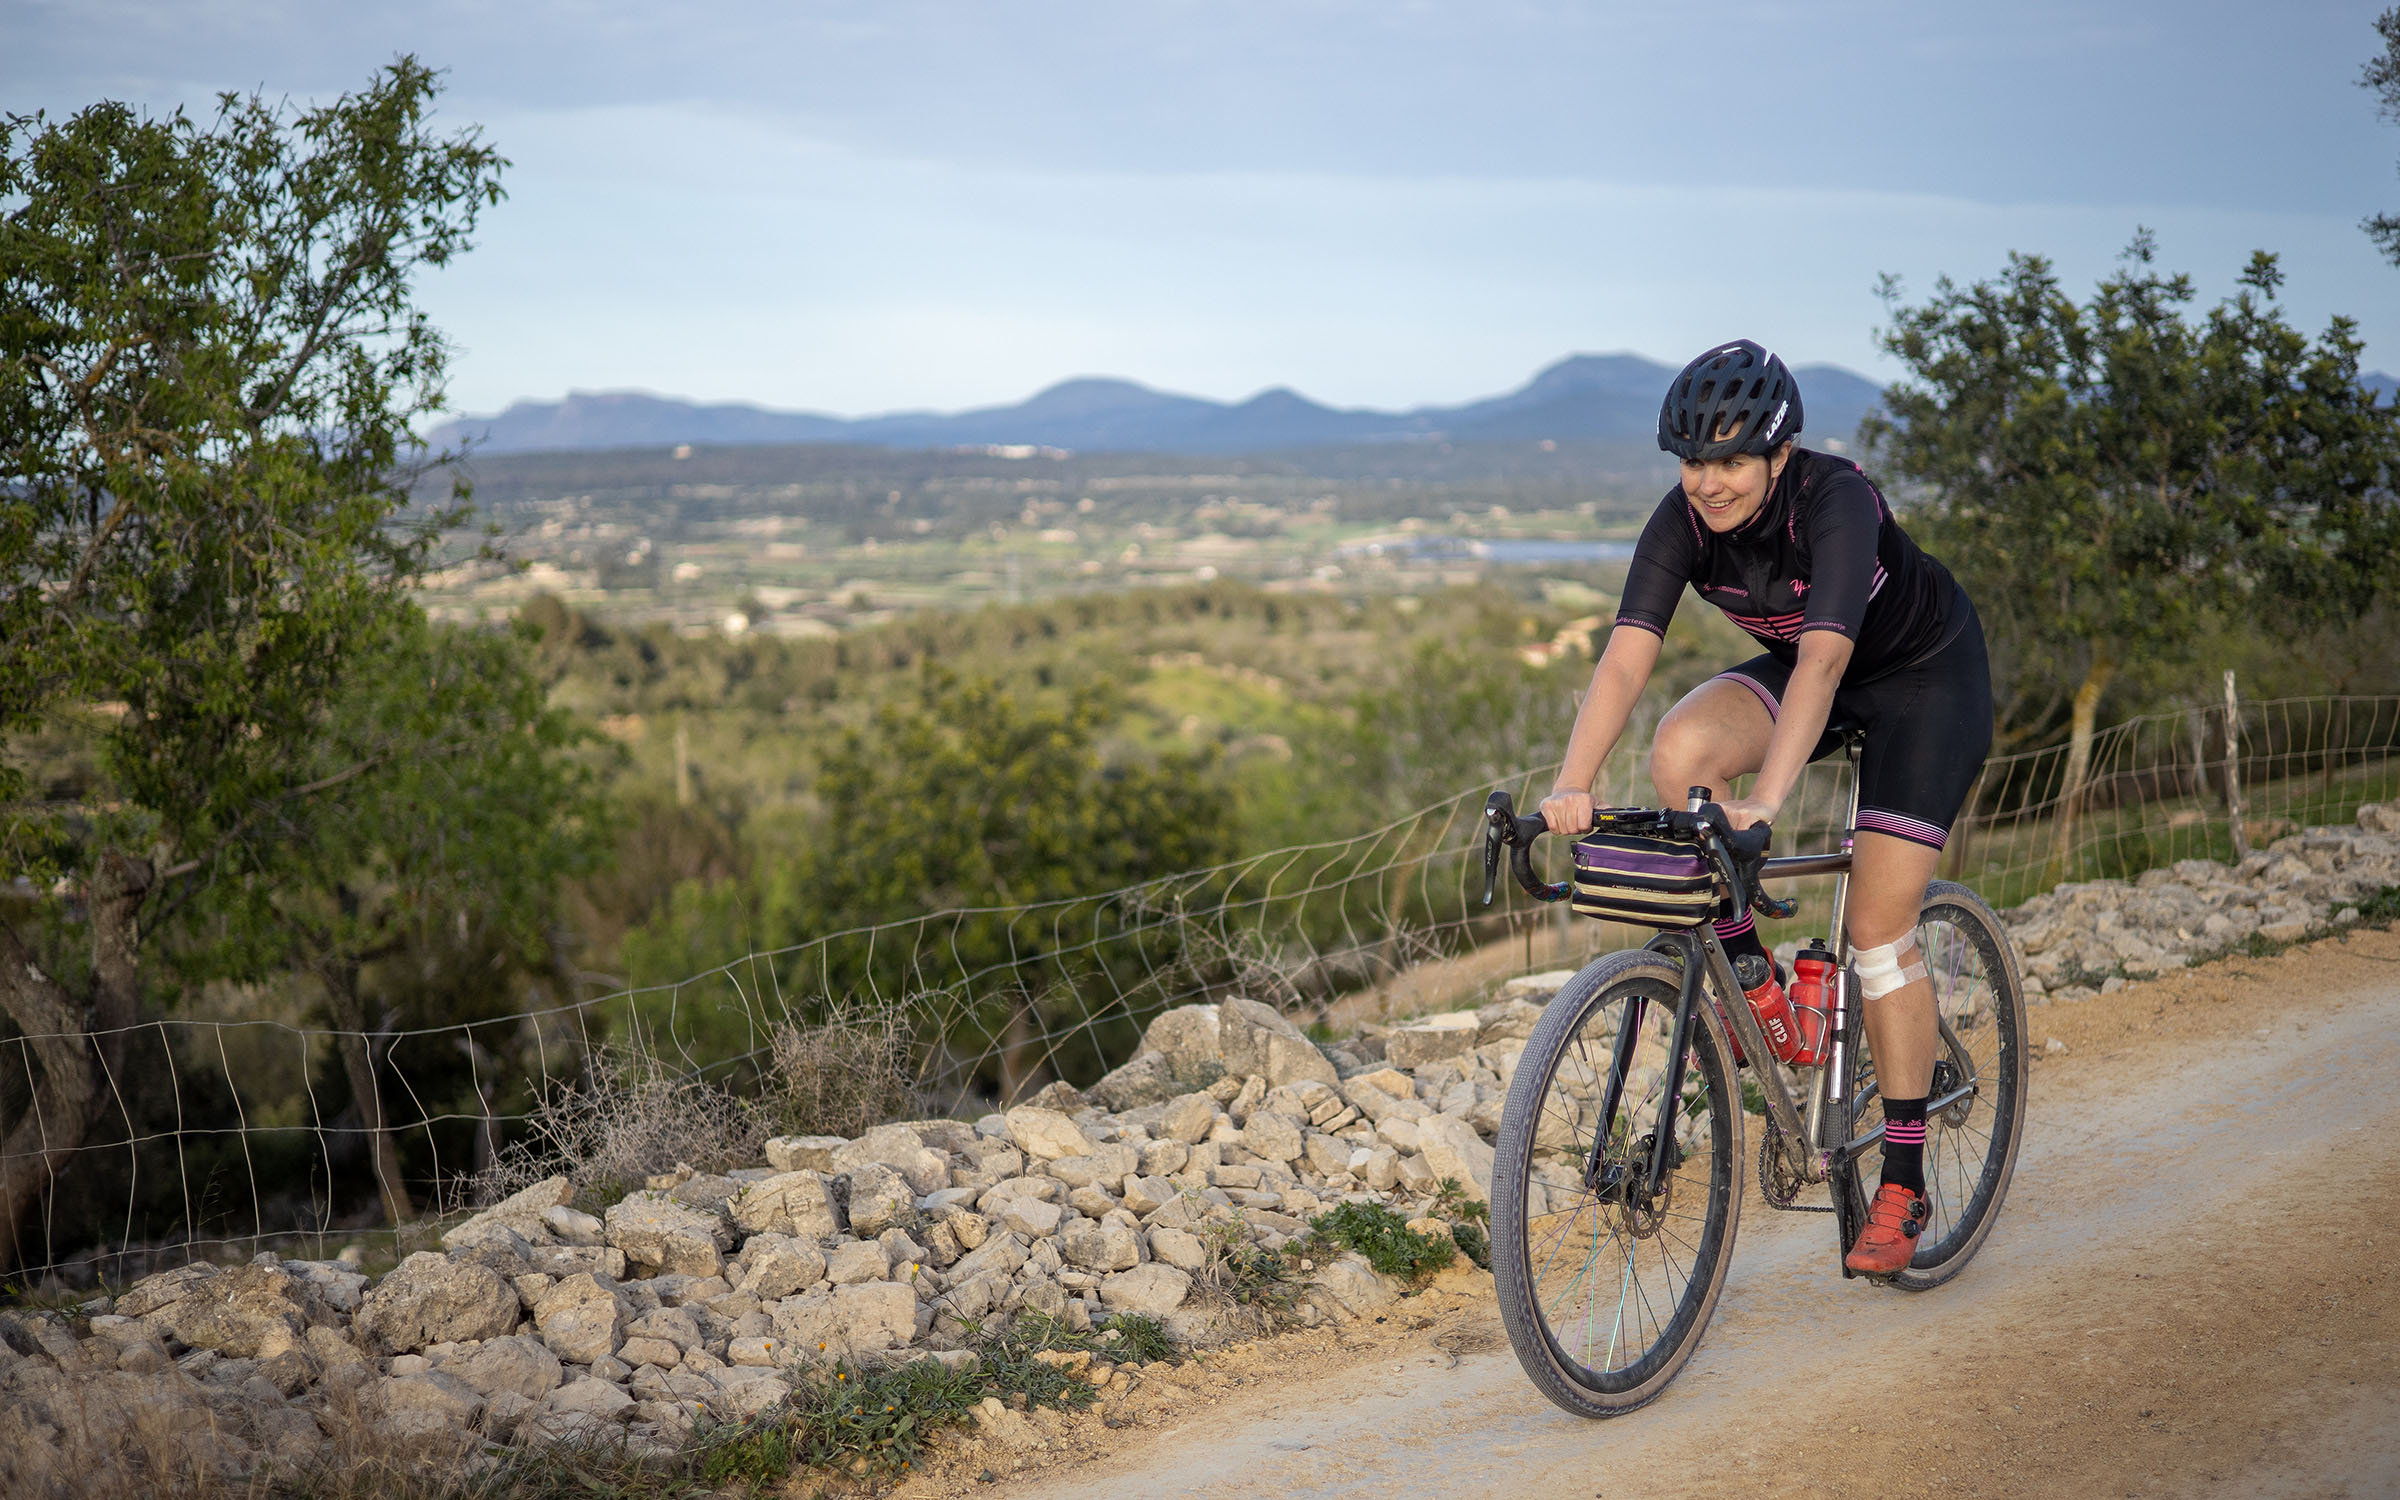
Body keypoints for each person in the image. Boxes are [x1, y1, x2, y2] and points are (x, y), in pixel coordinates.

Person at [1538, 340, 1993, 1276]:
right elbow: (1628, 654)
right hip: (1810, 672)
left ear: (1780, 455)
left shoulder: (1838, 502)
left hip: (1920, 683)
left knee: (1877, 929)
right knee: (1682, 753)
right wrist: (1570, 783)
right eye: (1694, 461)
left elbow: (1827, 659)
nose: (1709, 483)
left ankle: (1902, 1182)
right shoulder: (1683, 519)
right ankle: (1755, 979)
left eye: (1732, 461)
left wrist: (1769, 802)